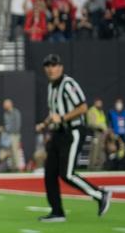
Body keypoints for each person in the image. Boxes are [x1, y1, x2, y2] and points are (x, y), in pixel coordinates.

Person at [35, 54, 111, 223]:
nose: (50, 69)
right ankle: (57, 212)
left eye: (53, 65)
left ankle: (100, 194)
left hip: (73, 131)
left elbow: (83, 107)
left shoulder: (68, 84)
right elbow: (54, 112)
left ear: (60, 67)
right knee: (50, 173)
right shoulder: (51, 86)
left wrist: (62, 119)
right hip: (59, 132)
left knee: (66, 174)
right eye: (47, 66)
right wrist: (45, 123)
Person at [86, 98, 109, 169]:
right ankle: (91, 167)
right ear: (95, 103)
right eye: (98, 102)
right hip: (95, 133)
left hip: (103, 133)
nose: (100, 104)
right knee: (94, 150)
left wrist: (105, 128)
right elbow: (91, 123)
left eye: (101, 103)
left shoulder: (101, 111)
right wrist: (101, 127)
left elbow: (103, 121)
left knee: (101, 150)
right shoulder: (91, 111)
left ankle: (100, 166)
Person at [1, 99, 23, 171]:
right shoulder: (5, 114)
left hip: (14, 135)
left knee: (15, 151)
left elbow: (17, 125)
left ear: (10, 104)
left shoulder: (15, 112)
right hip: (8, 135)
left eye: (5, 104)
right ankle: (12, 167)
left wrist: (13, 133)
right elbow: (7, 125)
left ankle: (17, 167)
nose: (4, 106)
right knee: (10, 152)